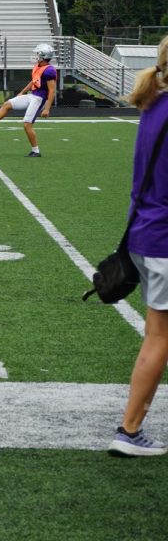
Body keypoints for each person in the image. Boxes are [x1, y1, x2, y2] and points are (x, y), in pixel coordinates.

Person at [109, 35, 168, 456]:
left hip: (145, 232)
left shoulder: (153, 103)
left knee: (157, 333)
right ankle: (129, 430)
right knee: (159, 337)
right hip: (163, 237)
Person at [0, 43, 57, 157]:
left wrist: (47, 108)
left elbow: (52, 91)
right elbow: (34, 81)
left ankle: (36, 151)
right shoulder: (38, 66)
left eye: (38, 54)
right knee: (7, 104)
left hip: (39, 99)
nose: (36, 55)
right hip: (32, 96)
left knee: (27, 125)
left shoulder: (49, 70)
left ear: (43, 55)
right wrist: (22, 92)